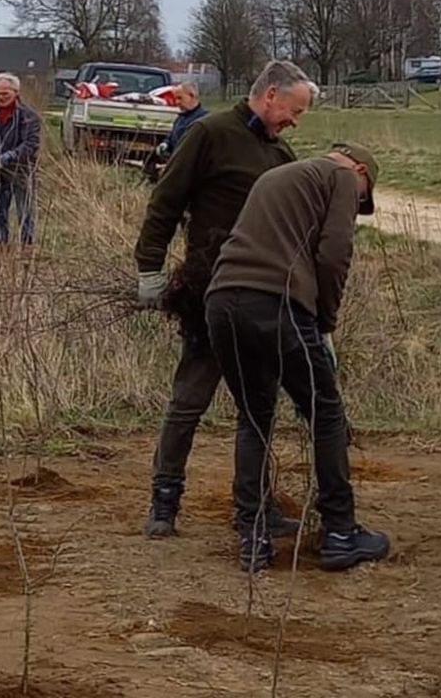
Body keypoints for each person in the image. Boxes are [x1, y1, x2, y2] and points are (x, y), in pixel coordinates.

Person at [133, 61, 307, 539]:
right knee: (189, 400)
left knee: (258, 409)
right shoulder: (209, 134)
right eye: (293, 110)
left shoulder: (280, 154)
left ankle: (254, 508)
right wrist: (149, 268)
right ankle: (164, 504)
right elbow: (165, 201)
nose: (295, 121)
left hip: (266, 301)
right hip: (209, 292)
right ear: (270, 95)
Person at [204, 142, 388, 572]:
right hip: (277, 304)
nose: (358, 201)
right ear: (360, 170)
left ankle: (253, 537)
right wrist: (325, 321)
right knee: (325, 413)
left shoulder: (279, 176)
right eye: (364, 197)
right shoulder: (341, 176)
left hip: (222, 301)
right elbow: (335, 251)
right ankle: (341, 533)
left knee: (254, 417)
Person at [0, 72, 41, 245]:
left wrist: (9, 156)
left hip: (21, 169)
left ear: (16, 92)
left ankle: (26, 245)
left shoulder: (29, 116)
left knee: (24, 211)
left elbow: (30, 144)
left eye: (5, 94)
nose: (1, 98)